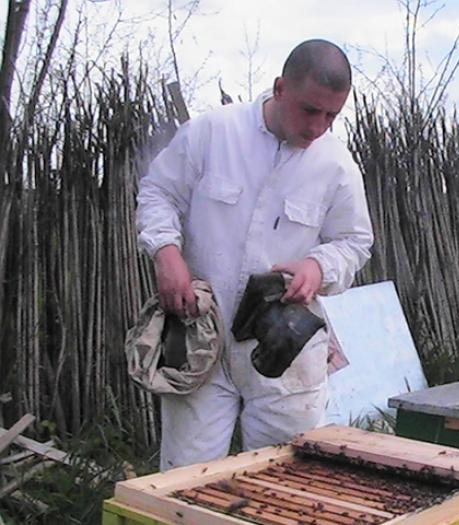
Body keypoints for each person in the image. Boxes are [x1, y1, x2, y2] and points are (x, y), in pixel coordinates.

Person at [136, 39, 374, 471]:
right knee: (186, 479)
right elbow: (158, 192)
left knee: (286, 479)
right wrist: (166, 251)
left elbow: (355, 242)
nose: (319, 126)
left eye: (332, 116)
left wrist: (317, 267)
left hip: (284, 349)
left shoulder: (337, 166)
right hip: (200, 338)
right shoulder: (213, 133)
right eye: (310, 110)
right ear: (280, 88)